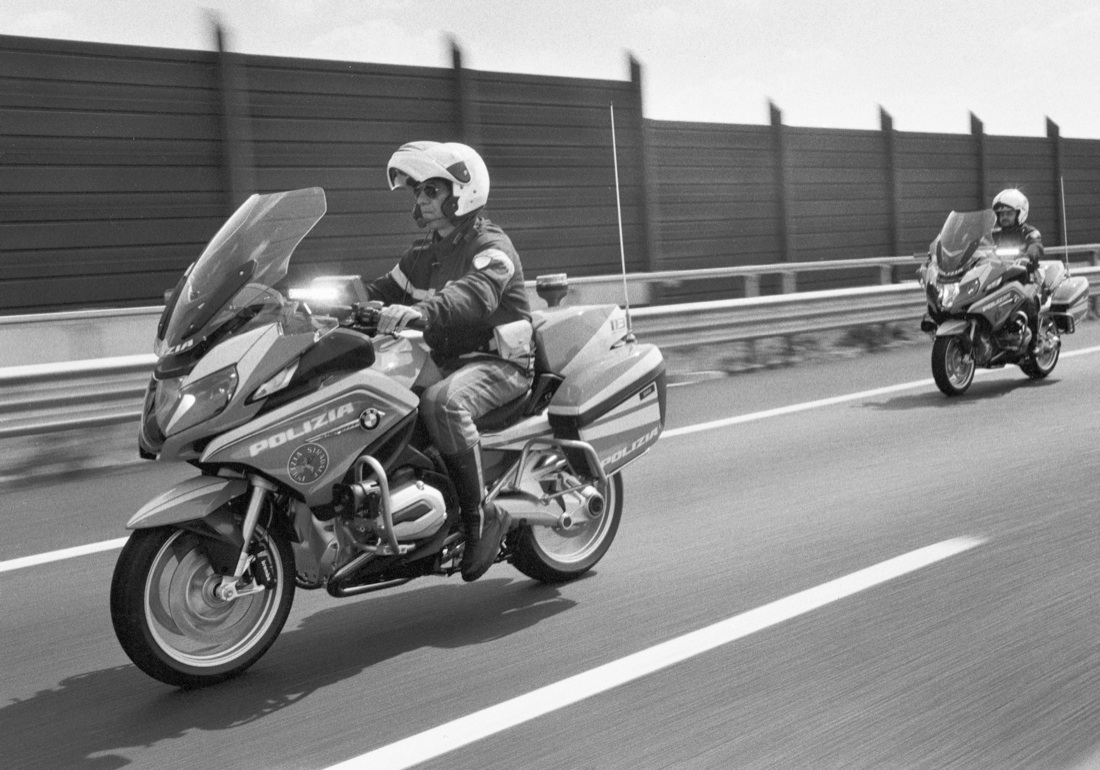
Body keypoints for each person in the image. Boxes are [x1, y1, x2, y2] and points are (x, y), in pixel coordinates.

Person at [364, 141, 533, 582]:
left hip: (499, 364)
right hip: (448, 361)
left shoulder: (491, 245)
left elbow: (474, 294)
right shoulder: (424, 255)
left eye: (431, 190)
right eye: (418, 191)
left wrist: (423, 312)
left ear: (463, 190)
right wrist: (321, 303)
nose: (421, 199)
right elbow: (379, 291)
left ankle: (481, 516)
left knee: (442, 403)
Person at [991, 188, 1044, 348]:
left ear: (1020, 213)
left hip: (1027, 276)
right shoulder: (993, 234)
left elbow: (1036, 245)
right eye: (1001, 214)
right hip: (1001, 277)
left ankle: (1034, 342)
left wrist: (1031, 253)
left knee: (1028, 299)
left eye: (1009, 213)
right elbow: (978, 246)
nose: (1004, 217)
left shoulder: (1029, 232)